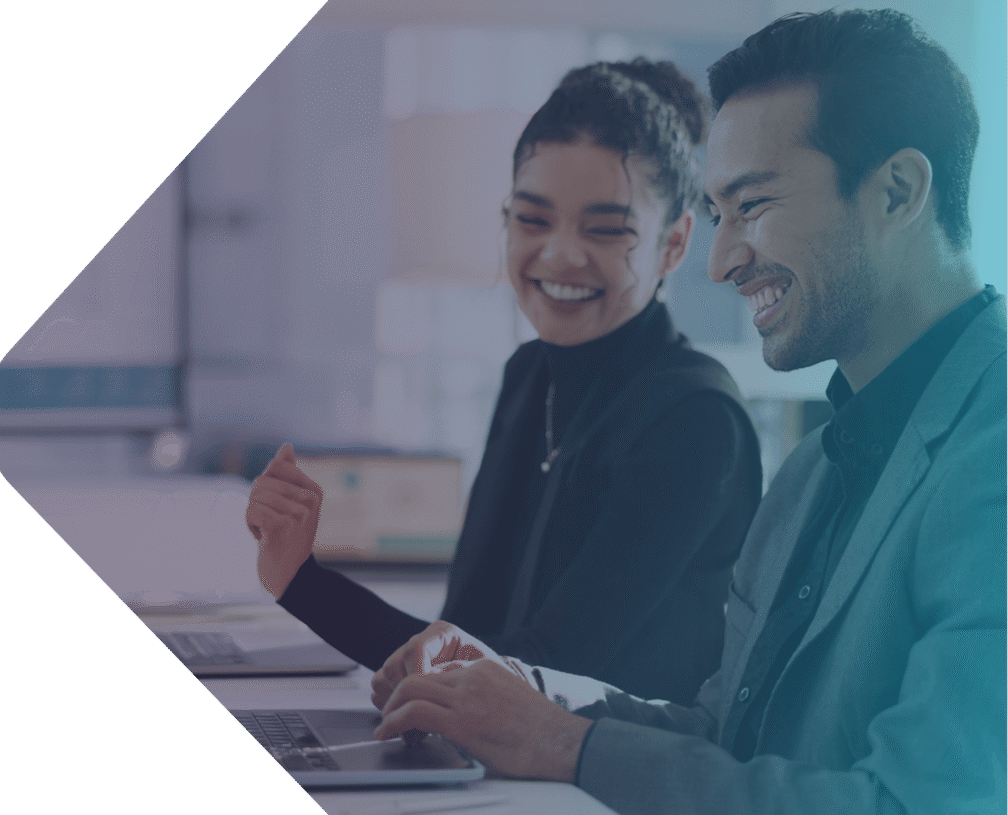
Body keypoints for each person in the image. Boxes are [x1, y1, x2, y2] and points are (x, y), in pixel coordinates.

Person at [368, 10, 1007, 815]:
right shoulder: (812, 471)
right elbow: (723, 735)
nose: (721, 259)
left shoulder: (991, 455)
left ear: (898, 191)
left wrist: (564, 746)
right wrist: (519, 692)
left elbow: (922, 806)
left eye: (754, 204)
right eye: (717, 214)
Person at [245, 59, 763, 703]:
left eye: (607, 229)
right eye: (532, 220)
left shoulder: (695, 421)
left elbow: (529, 678)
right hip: (491, 754)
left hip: (597, 768)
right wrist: (302, 579)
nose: (560, 254)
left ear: (675, 244)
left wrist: (304, 584)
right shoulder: (530, 375)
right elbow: (465, 635)